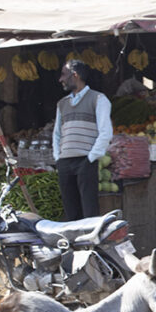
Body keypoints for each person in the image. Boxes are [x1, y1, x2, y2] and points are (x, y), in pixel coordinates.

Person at [52, 58, 112, 221]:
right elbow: (57, 133)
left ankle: (91, 245)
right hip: (65, 162)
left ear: (75, 75)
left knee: (89, 211)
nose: (61, 79)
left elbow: (106, 132)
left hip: (86, 161)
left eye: (64, 75)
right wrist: (58, 157)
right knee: (70, 211)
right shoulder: (62, 104)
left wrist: (91, 157)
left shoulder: (98, 99)